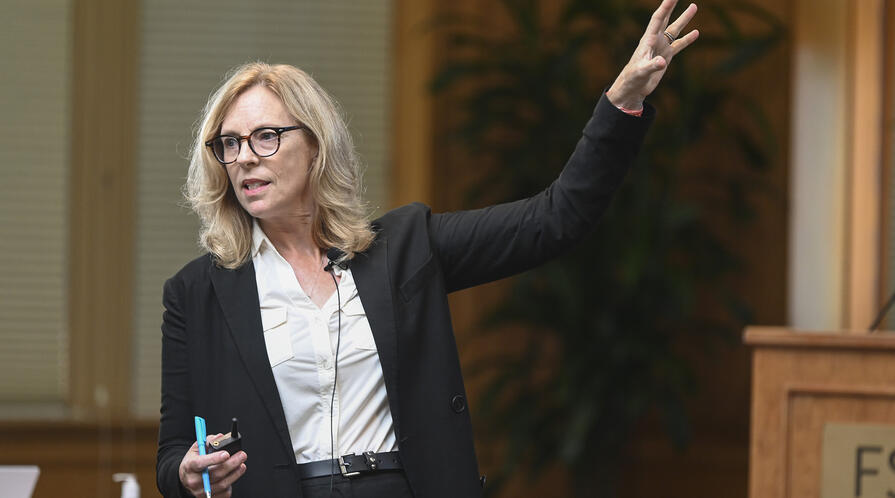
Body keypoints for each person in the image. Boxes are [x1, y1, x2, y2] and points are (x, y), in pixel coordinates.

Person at [156, 1, 699, 496]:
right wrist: (187, 472)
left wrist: (621, 103)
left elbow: (554, 219)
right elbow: (173, 453)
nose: (245, 157)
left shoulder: (404, 249)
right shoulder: (196, 293)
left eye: (265, 136)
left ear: (315, 145)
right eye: (229, 143)